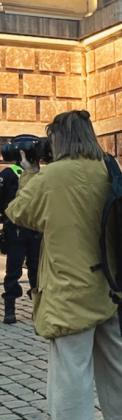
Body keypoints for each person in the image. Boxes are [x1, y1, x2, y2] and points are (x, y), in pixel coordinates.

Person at [7, 110, 122, 420]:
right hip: (114, 286)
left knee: (71, 372)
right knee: (120, 362)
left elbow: (18, 212)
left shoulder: (50, 178)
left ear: (60, 139)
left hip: (70, 291)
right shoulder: (108, 168)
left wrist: (29, 173)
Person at [1, 136, 43, 324]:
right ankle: (12, 308)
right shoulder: (12, 174)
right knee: (20, 270)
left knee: (25, 269)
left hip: (25, 229)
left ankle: (27, 308)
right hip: (22, 229)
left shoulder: (36, 175)